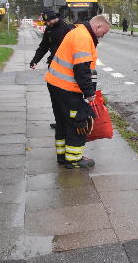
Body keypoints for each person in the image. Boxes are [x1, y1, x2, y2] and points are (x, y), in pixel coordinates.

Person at [45, 14, 112, 168]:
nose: (103, 36)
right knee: (79, 122)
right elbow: (81, 70)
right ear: (98, 26)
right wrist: (89, 93)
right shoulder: (83, 38)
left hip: (57, 85)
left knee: (62, 122)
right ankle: (74, 159)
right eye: (104, 33)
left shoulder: (79, 32)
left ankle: (62, 156)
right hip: (67, 88)